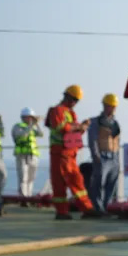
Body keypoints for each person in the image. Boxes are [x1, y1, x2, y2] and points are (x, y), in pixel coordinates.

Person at [46, 86, 93, 220]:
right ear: (67, 97)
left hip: (70, 153)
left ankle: (86, 208)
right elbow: (61, 127)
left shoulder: (70, 113)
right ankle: (62, 212)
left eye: (76, 101)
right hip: (59, 153)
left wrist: (82, 127)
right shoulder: (57, 111)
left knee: (76, 180)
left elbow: (74, 130)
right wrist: (79, 127)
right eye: (74, 99)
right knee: (60, 183)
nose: (75, 103)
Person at [86, 93, 122, 217]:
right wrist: (96, 155)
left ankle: (106, 208)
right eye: (108, 106)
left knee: (111, 184)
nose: (111, 109)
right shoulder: (96, 122)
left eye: (113, 106)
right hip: (102, 157)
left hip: (114, 158)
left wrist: (117, 158)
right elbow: (93, 140)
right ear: (104, 106)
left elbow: (117, 141)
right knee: (98, 183)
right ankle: (98, 208)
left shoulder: (115, 124)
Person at [12, 108, 44, 203]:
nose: (31, 119)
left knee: (31, 177)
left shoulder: (32, 127)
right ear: (24, 117)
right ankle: (23, 198)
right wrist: (31, 125)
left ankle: (29, 197)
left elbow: (41, 134)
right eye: (30, 117)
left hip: (33, 156)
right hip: (22, 156)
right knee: (23, 177)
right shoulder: (17, 127)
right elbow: (21, 136)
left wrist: (37, 124)